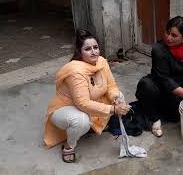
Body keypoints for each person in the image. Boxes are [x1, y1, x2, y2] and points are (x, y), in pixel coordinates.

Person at [43, 29, 131, 163]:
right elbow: (82, 103)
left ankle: (93, 126)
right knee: (81, 121)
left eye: (95, 47)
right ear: (79, 52)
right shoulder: (75, 71)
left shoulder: (101, 62)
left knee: (120, 96)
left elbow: (111, 86)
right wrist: (113, 109)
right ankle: (69, 147)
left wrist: (115, 98)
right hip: (65, 108)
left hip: (89, 102)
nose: (94, 52)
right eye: (88, 49)